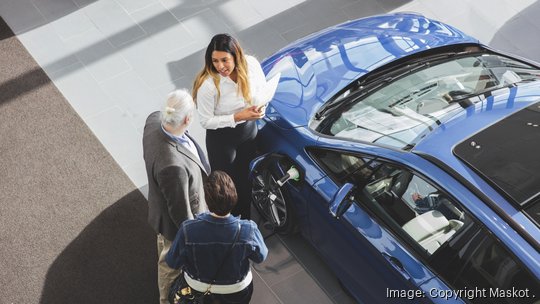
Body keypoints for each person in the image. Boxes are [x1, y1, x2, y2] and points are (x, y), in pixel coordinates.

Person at [143, 89, 211, 304]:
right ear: (188, 119)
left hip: (160, 202)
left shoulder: (153, 120)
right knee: (169, 265)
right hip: (173, 225)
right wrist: (194, 239)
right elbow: (180, 212)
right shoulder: (172, 166)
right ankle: (166, 299)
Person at [193, 33, 267, 220]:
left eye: (224, 60)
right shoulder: (208, 85)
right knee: (225, 187)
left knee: (246, 180)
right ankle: (228, 222)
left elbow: (262, 89)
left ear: (236, 56)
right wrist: (237, 116)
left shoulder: (251, 65)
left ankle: (246, 219)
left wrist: (262, 106)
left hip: (248, 131)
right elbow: (205, 121)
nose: (220, 66)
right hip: (222, 139)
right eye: (215, 61)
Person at [166, 170, 268, 304]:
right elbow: (260, 257)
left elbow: (172, 262)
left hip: (198, 291)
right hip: (237, 291)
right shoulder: (249, 229)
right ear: (234, 196)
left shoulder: (188, 229)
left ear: (207, 200)